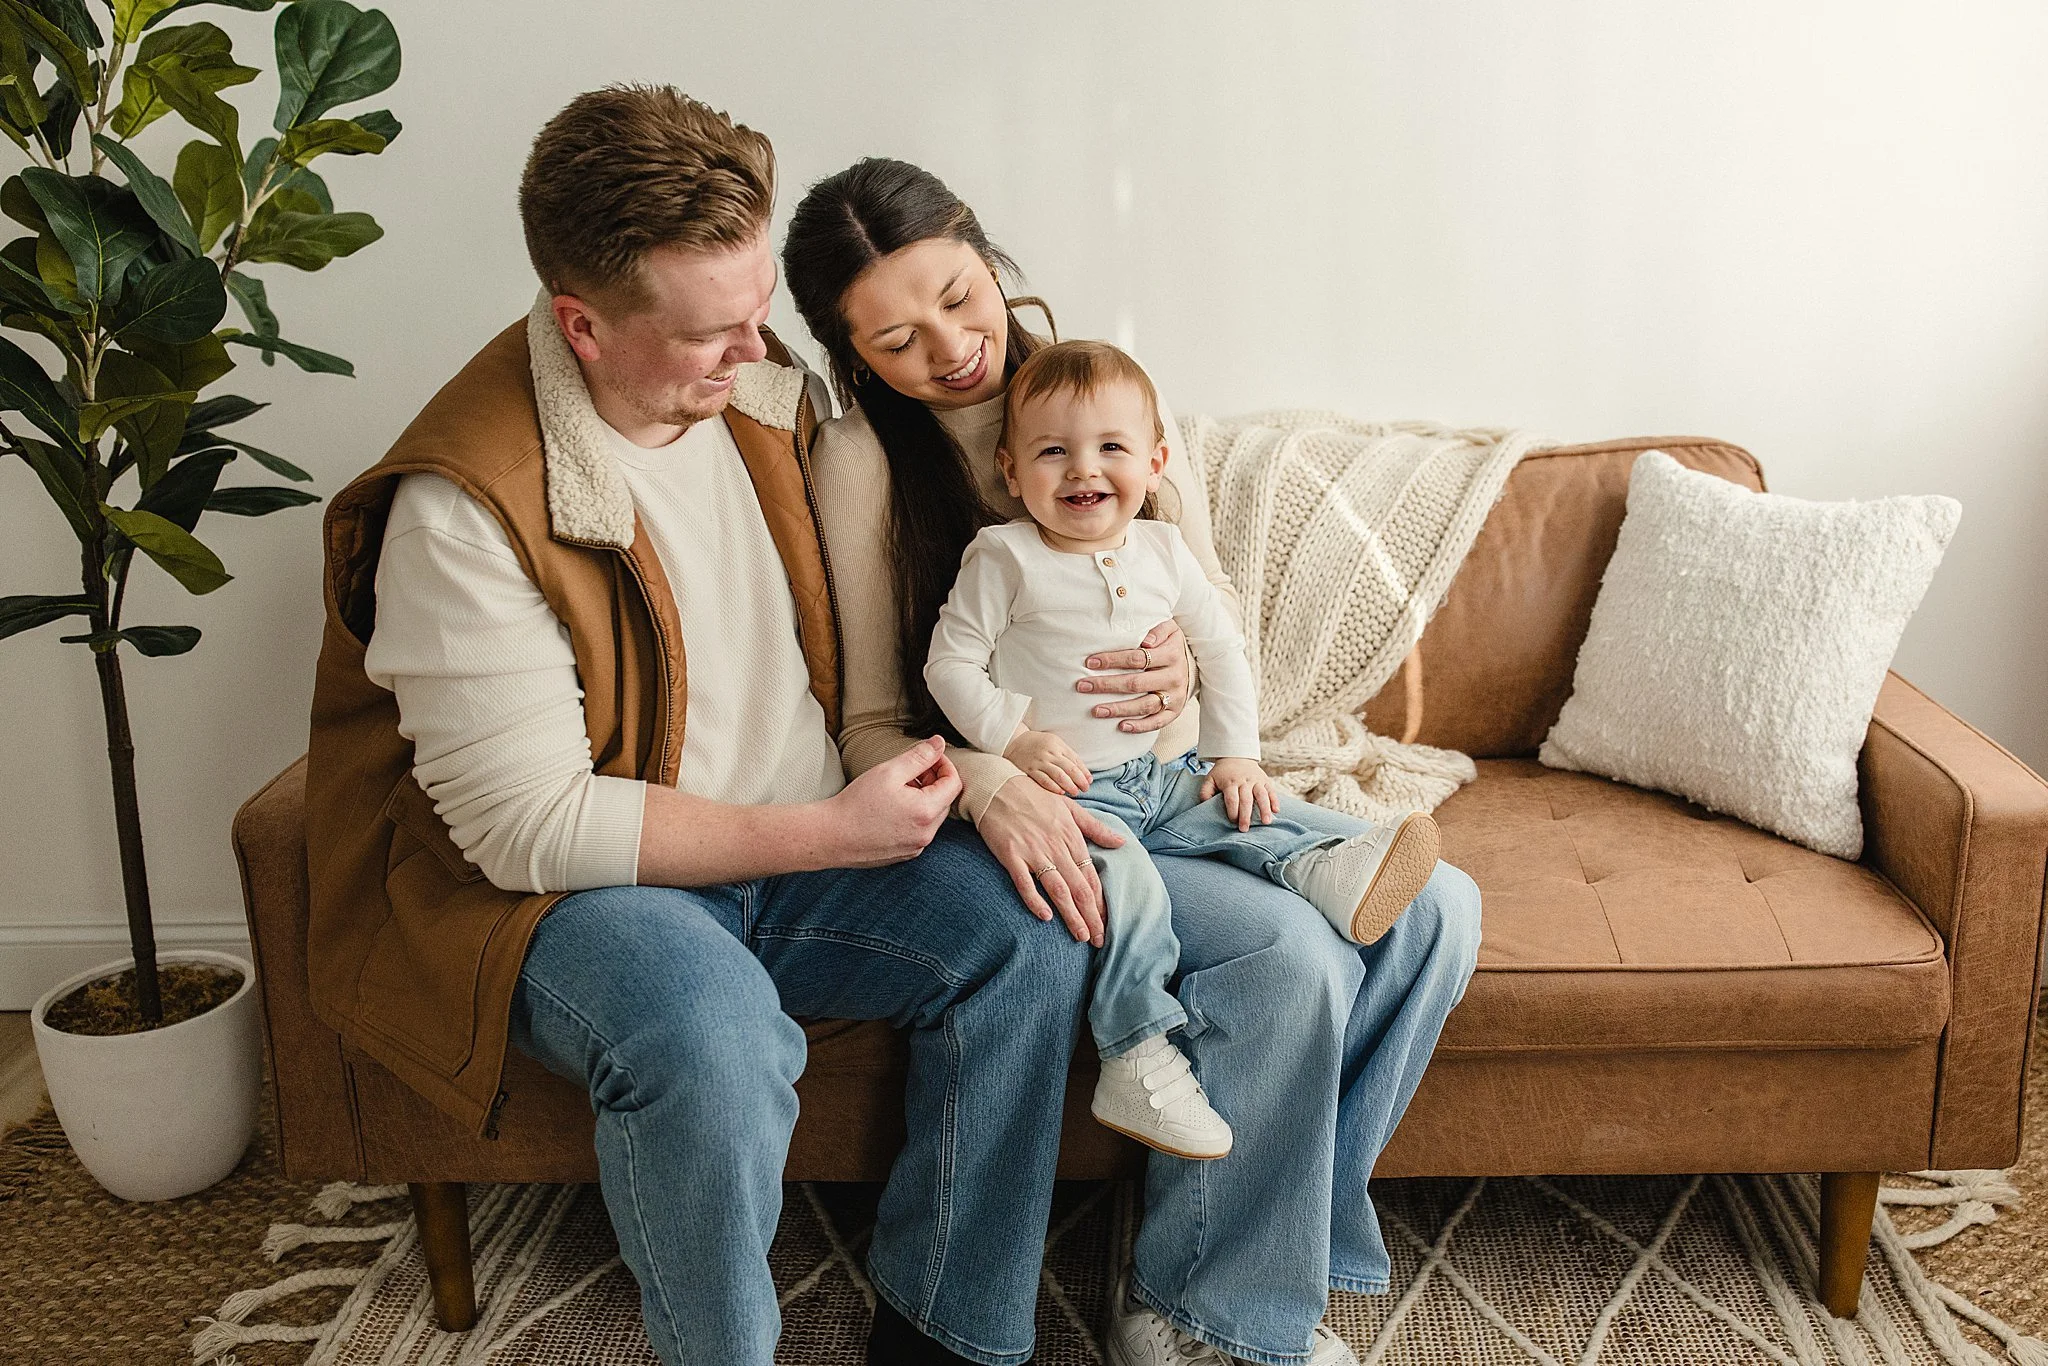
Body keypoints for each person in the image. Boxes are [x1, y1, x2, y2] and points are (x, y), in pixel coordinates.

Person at [303, 90, 1097, 1366]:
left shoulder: (762, 397)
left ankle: (950, 1326)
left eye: (755, 316)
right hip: (583, 893)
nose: (757, 353)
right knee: (713, 1041)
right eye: (711, 333)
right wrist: (825, 831)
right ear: (584, 325)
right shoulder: (463, 508)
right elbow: (525, 827)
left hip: (798, 846)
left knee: (1036, 935)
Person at [787, 158, 1483, 1366]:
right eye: (896, 340)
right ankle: (1201, 1304)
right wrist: (990, 775)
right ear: (850, 358)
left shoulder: (1109, 399)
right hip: (1032, 798)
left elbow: (1209, 632)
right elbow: (867, 721)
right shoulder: (861, 460)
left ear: (985, 253)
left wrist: (1190, 710)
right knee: (1291, 963)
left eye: (960, 296)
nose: (950, 348)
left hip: (1169, 783)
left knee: (1444, 909)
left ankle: (1243, 1261)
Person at [924, 339, 1444, 1162]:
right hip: (1072, 798)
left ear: (1156, 463)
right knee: (1128, 887)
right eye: (1052, 452)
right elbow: (948, 664)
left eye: (1110, 449)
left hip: (1156, 776)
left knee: (1242, 809)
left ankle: (1326, 868)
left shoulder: (1164, 553)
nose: (1082, 470)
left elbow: (1223, 652)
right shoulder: (1005, 556)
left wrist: (1236, 753)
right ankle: (1134, 1052)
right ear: (1011, 471)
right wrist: (1014, 737)